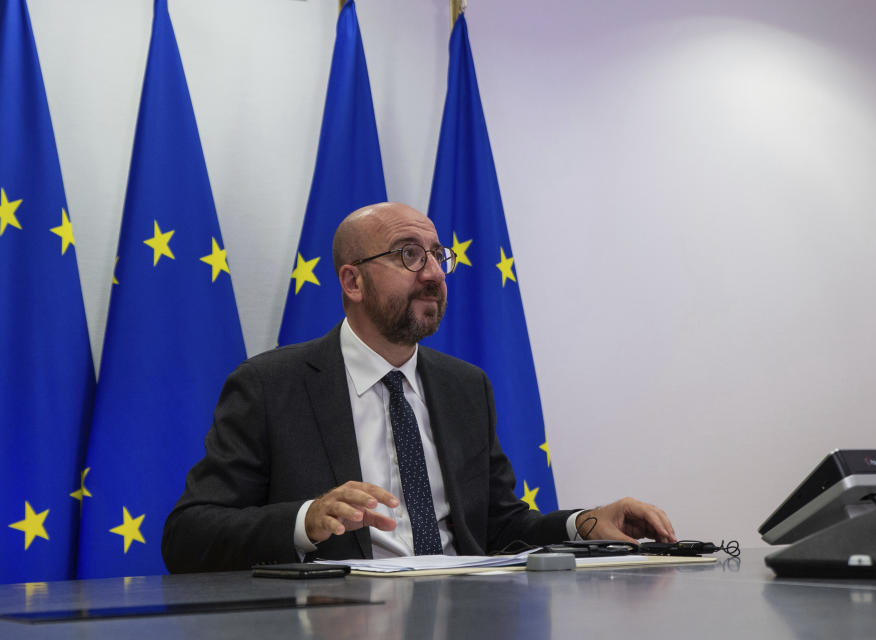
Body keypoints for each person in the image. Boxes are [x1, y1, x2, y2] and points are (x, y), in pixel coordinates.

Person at [161, 202, 675, 572]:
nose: (432, 273)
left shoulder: (465, 387)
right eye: (409, 255)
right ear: (352, 282)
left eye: (436, 255)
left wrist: (583, 523)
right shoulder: (271, 387)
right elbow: (188, 536)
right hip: (337, 621)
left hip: (465, 616)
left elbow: (498, 526)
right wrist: (306, 520)